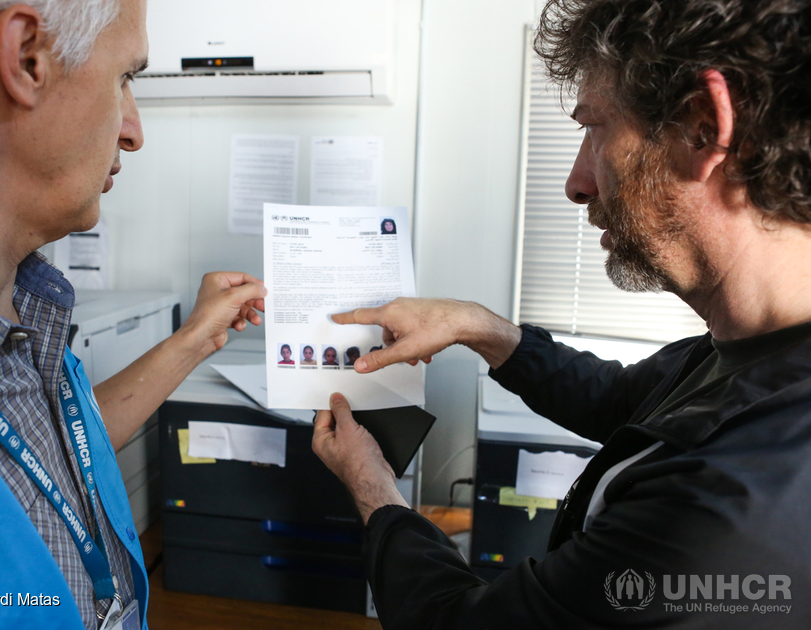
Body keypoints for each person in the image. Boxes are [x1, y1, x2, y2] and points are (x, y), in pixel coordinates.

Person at [312, 0, 811, 628]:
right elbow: (621, 401)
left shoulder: (725, 503)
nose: (577, 181)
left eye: (596, 127)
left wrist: (373, 485)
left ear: (701, 127)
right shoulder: (750, 344)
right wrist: (477, 326)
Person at [0, 1, 265, 628]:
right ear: (28, 58)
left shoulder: (21, 298)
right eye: (126, 76)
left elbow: (48, 445)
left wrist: (194, 338)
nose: (134, 130)